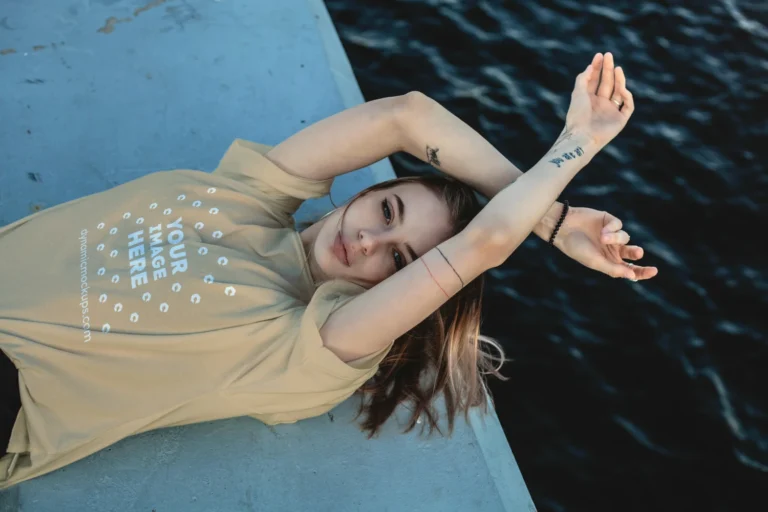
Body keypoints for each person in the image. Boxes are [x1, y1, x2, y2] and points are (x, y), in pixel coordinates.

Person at [0, 52, 656, 489]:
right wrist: (556, 216)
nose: (368, 240)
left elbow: (483, 244)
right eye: (387, 210)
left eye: (399, 261)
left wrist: (577, 145)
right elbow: (404, 116)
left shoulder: (306, 348)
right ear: (364, 193)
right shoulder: (248, 193)